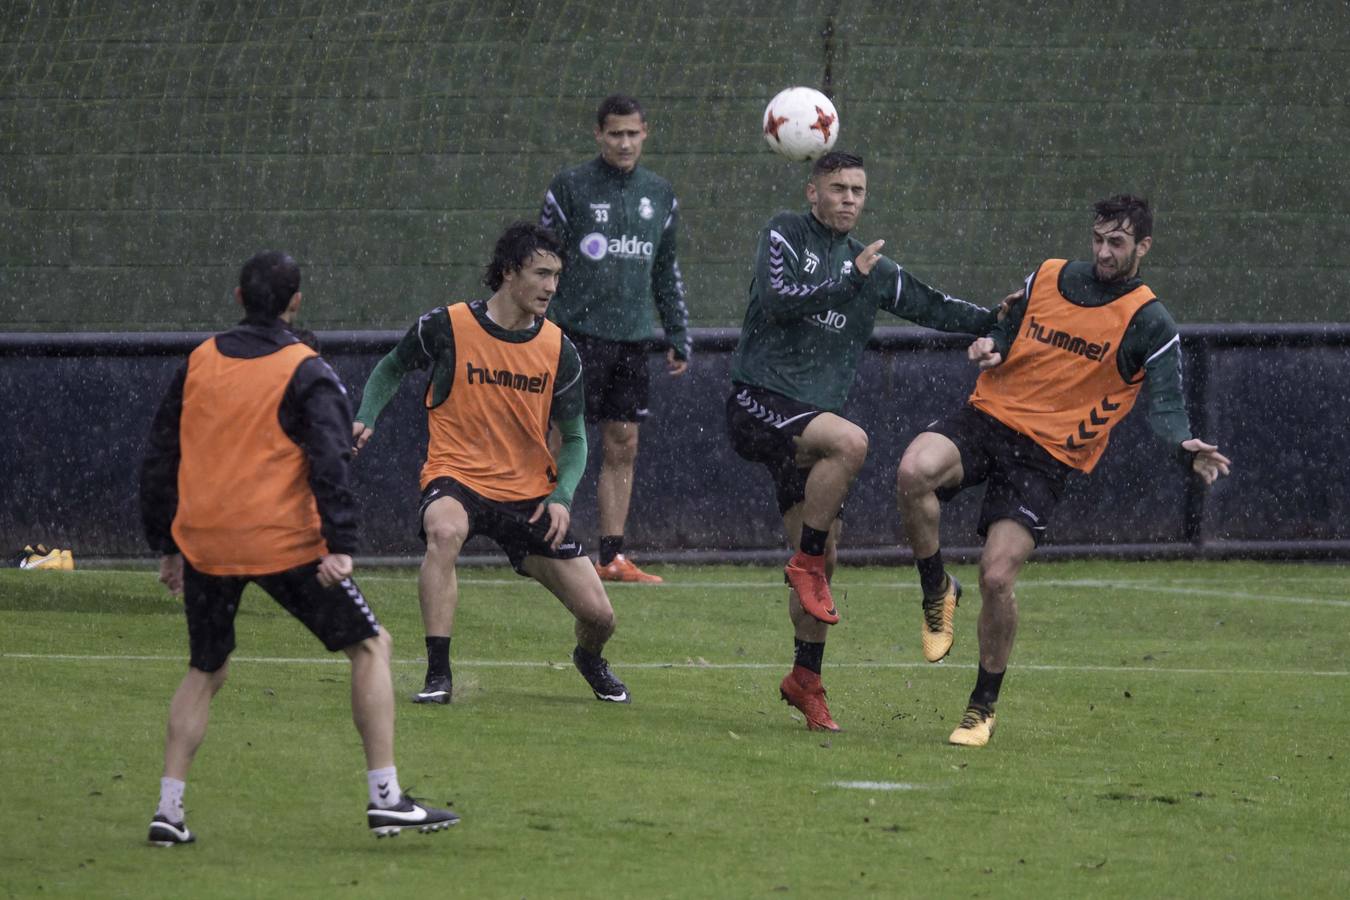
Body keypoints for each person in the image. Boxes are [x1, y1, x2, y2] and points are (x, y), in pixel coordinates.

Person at [139, 251, 458, 846]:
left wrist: (167, 544)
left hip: (207, 541)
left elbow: (161, 457)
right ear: (296, 302)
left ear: (237, 297)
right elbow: (330, 460)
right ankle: (386, 798)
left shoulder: (199, 361)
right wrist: (340, 544)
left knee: (205, 669)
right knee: (370, 646)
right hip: (286, 543)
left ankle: (168, 810)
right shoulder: (306, 369)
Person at [896, 195, 1233, 747]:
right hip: (988, 417)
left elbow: (1168, 404)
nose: (1103, 251)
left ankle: (982, 707)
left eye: (1117, 243)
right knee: (913, 471)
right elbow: (1007, 329)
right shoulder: (1049, 275)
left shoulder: (1150, 321)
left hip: (1049, 455)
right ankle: (936, 589)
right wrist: (991, 347)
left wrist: (1183, 445)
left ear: (1143, 247)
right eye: (1098, 239)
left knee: (998, 578)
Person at [725, 150, 1003, 732]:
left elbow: (933, 305)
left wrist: (1000, 322)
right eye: (838, 188)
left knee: (827, 559)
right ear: (812, 192)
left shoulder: (871, 265)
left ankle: (806, 679)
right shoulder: (784, 232)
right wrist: (848, 280)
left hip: (810, 429)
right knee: (851, 444)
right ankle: (801, 563)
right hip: (759, 402)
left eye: (858, 190)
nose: (850, 198)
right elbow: (777, 301)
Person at [351, 223, 630, 707]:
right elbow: (393, 365)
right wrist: (366, 416)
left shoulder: (559, 349)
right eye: (541, 273)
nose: (550, 286)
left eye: (557, 275)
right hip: (456, 474)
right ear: (507, 272)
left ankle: (588, 658)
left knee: (600, 617)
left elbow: (578, 438)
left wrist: (562, 496)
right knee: (443, 531)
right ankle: (439, 674)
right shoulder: (448, 325)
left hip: (528, 496)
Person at [538, 93, 690, 584]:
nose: (625, 143)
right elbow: (540, 262)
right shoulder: (570, 187)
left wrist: (677, 332)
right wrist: (540, 328)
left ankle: (611, 557)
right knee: (563, 438)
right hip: (574, 335)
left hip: (631, 340)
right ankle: (542, 539)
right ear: (598, 135)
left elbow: (666, 270)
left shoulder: (660, 194)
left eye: (633, 134)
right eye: (615, 134)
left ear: (646, 134)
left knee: (622, 442)